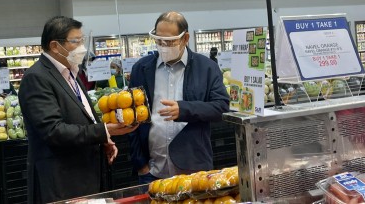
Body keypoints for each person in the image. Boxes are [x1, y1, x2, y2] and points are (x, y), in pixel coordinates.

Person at [18, 16, 118, 204]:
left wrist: (102, 139)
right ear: (55, 46)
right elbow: (53, 131)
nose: (82, 47)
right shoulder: (36, 78)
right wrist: (104, 130)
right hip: (61, 183)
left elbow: (82, 113)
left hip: (84, 176)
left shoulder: (70, 72)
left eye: (82, 41)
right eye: (76, 41)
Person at [128, 11, 230, 184]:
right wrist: (140, 164)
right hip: (152, 172)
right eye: (159, 40)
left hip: (194, 169)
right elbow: (132, 117)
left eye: (169, 41)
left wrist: (184, 109)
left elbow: (221, 106)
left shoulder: (206, 68)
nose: (163, 45)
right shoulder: (141, 68)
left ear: (185, 38)